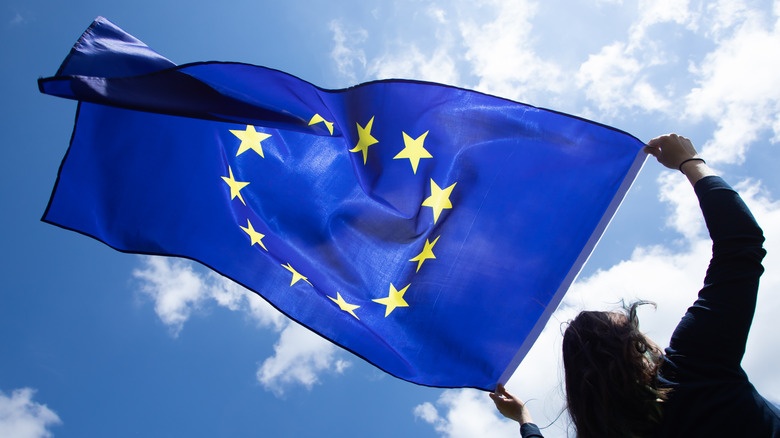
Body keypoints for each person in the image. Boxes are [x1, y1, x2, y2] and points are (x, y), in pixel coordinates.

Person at [490, 134, 780, 437]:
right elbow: (740, 244)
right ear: (634, 345)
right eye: (633, 327)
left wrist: (525, 419)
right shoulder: (693, 366)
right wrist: (690, 162)